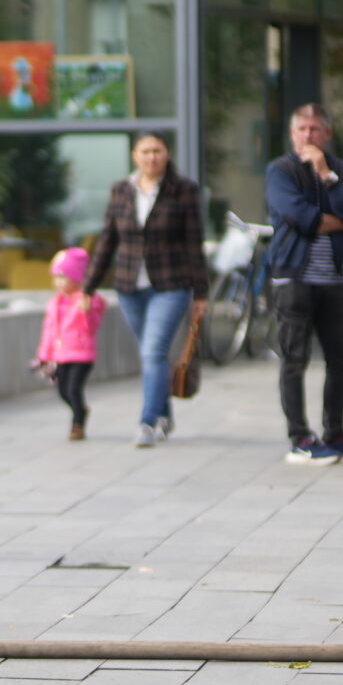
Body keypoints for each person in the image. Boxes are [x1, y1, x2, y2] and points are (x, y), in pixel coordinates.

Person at [80, 131, 208, 448]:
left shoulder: (183, 190)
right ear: (134, 156)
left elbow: (194, 244)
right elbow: (107, 240)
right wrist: (88, 287)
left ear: (167, 154)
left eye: (158, 151)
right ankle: (164, 414)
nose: (152, 157)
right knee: (153, 354)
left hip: (171, 285)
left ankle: (147, 421)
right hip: (129, 287)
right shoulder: (121, 190)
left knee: (152, 351)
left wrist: (202, 294)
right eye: (145, 151)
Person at [264, 103, 343, 465]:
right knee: (294, 359)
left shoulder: (339, 170)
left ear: (326, 134)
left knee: (341, 358)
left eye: (315, 129)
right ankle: (300, 437)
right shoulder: (280, 171)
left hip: (334, 280)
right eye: (301, 129)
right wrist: (340, 224)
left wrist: (326, 174)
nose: (308, 136)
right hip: (293, 278)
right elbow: (301, 218)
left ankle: (336, 432)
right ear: (292, 134)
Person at [35, 246, 105, 442]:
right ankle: (80, 409)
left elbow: (92, 326)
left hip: (81, 355)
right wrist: (44, 355)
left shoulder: (88, 300)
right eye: (55, 277)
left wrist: (87, 310)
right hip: (61, 355)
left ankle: (78, 421)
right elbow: (48, 331)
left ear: (77, 277)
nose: (58, 282)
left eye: (62, 277)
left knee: (73, 389)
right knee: (63, 391)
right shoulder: (54, 303)